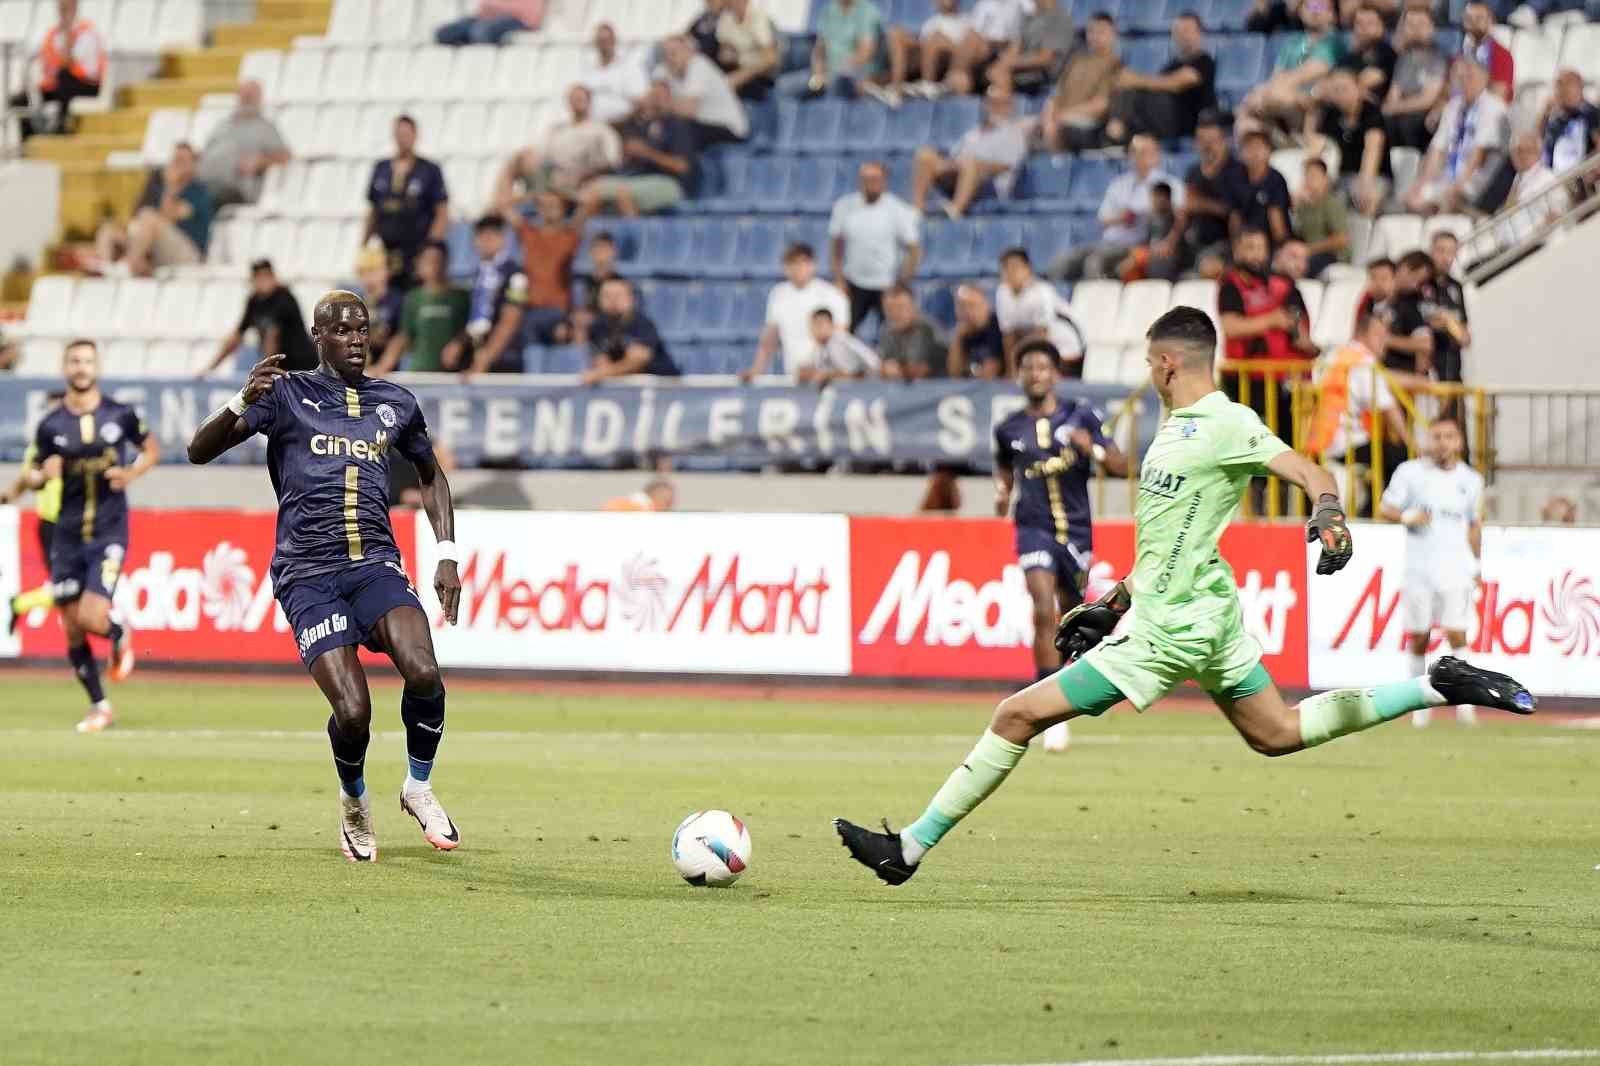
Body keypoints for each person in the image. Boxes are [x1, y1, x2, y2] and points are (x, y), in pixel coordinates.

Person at [832, 306, 1535, 887]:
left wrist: (1328, 514)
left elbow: (1305, 467)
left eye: (1148, 362)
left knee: (1016, 714)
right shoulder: (1176, 430)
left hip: (1172, 632)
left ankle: (911, 849)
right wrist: (1113, 602)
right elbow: (1169, 544)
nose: (1148, 372)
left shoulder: (1226, 421)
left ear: (1168, 364)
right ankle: (1437, 686)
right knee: (1277, 732)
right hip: (1198, 613)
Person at [187, 292, 463, 863]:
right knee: (355, 712)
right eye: (341, 330)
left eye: (362, 329)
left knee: (424, 670)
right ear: (317, 336)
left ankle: (418, 785)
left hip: (375, 565)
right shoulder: (285, 394)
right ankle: (354, 801)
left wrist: (447, 553)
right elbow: (198, 451)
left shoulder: (396, 402)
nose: (355, 338)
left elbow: (430, 475)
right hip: (308, 574)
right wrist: (242, 397)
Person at [992, 337, 1127, 751]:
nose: (1035, 374)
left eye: (1042, 367)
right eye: (1028, 367)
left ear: (1055, 374)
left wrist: (1094, 451)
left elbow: (1122, 466)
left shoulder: (1081, 415)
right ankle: (1044, 707)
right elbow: (1004, 469)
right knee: (1041, 602)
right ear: (1020, 376)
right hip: (1032, 528)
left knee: (1072, 616)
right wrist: (1003, 491)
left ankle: (1067, 694)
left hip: (1077, 532)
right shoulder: (1008, 427)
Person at [29, 341, 158, 733]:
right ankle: (100, 706)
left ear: (96, 367)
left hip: (108, 530)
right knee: (69, 625)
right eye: (74, 361)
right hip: (66, 533)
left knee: (90, 616)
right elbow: (35, 473)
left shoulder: (120, 414)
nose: (80, 368)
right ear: (64, 367)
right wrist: (42, 474)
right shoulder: (50, 425)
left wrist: (132, 473)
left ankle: (117, 632)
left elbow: (150, 448)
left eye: (86, 361)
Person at [1379, 417, 1485, 727]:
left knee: (1457, 633)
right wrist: (1407, 516)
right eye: (1436, 436)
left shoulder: (1472, 480)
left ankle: (1466, 706)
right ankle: (1418, 708)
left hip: (1455, 569)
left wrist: (1476, 565)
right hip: (1419, 569)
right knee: (1419, 637)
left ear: (1459, 442)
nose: (1442, 443)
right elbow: (1385, 508)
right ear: (1428, 440)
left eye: (1448, 436)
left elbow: (1473, 525)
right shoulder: (1410, 473)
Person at [1218, 227, 1316, 444]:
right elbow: (1231, 327)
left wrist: (1307, 345)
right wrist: (1271, 321)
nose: (1256, 255)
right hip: (1246, 378)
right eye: (1250, 248)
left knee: (1287, 441)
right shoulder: (1231, 284)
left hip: (1281, 377)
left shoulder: (1281, 286)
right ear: (1237, 251)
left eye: (1261, 248)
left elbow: (1298, 332)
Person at [1304, 310, 1411, 504]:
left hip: (1321, 441)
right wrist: (1411, 444)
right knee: (1400, 456)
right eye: (1379, 336)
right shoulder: (1363, 361)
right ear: (1362, 335)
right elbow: (1388, 407)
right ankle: (1382, 509)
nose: (1383, 342)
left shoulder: (1336, 355)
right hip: (1346, 442)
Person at [1053, 134, 1182, 281]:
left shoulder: (1170, 184)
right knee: (1065, 262)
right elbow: (1102, 218)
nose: (1140, 157)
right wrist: (1121, 218)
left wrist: (1143, 215)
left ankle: (1100, 301)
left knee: (1094, 262)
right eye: (1135, 152)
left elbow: (1175, 218)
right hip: (1110, 241)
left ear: (1156, 154)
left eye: (1145, 151)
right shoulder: (1118, 184)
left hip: (1137, 244)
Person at [575, 81, 698, 222]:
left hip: (671, 184)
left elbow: (682, 167)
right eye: (652, 96)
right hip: (636, 180)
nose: (655, 100)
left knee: (621, 193)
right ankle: (578, 239)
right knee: (595, 192)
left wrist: (647, 152)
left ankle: (637, 238)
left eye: (660, 96)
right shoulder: (643, 126)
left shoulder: (678, 125)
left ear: (669, 100)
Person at [1403, 57, 1509, 217]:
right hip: (1448, 175)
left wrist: (1456, 187)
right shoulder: (1453, 106)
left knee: (1442, 201)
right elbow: (1437, 149)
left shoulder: (1494, 107)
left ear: (1485, 80)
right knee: (1412, 198)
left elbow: (1479, 154)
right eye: (1462, 78)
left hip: (1476, 179)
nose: (1465, 82)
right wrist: (1423, 182)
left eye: (1471, 77)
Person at [909, 85, 1029, 220]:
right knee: (925, 155)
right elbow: (955, 157)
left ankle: (954, 212)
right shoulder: (974, 133)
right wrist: (952, 165)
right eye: (991, 102)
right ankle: (916, 214)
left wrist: (974, 164)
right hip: (959, 175)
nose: (994, 107)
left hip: (991, 186)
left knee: (969, 163)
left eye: (1000, 103)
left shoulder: (1014, 133)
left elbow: (1007, 166)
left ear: (1009, 106)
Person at [828, 161, 922, 333]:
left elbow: (914, 249)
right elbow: (836, 246)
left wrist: (903, 281)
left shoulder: (898, 209)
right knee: (844, 332)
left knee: (896, 333)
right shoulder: (844, 206)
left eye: (875, 178)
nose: (870, 183)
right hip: (854, 282)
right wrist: (839, 279)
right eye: (866, 178)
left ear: (884, 181)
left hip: (886, 284)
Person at [95, 143, 214, 277]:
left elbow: (170, 216)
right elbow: (136, 218)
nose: (176, 165)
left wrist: (171, 186)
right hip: (155, 249)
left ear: (192, 164)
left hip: (189, 253)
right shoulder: (156, 187)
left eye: (182, 161)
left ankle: (129, 265)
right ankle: (106, 270)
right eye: (175, 160)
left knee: (149, 217)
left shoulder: (198, 192)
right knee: (108, 230)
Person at [493, 85, 621, 209]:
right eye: (573, 99)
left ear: (589, 101)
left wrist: (583, 176)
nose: (577, 102)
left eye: (580, 99)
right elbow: (541, 154)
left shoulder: (602, 130)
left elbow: (612, 162)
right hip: (550, 173)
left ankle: (510, 204)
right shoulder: (558, 128)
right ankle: (501, 203)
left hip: (579, 177)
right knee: (520, 157)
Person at [2, 391, 65, 636]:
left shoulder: (80, 442)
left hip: (81, 522)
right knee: (65, 589)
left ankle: (19, 604)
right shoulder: (39, 447)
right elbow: (26, 480)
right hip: (53, 524)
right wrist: (6, 497)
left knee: (74, 589)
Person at [1103, 13, 1216, 146]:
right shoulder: (1171, 65)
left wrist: (1135, 80)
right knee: (1127, 92)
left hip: (1186, 124)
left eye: (1187, 31)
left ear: (1199, 33)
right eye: (1177, 32)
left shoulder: (1204, 61)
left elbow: (1175, 84)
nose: (1182, 36)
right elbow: (1158, 84)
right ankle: (1117, 133)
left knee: (1132, 91)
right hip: (1162, 120)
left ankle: (1116, 135)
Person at [364, 115, 449, 288]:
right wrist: (364, 245)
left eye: (407, 133)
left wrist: (431, 249)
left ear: (416, 135)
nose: (403, 138)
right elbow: (373, 210)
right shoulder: (381, 169)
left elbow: (442, 212)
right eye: (399, 134)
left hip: (417, 250)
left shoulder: (429, 170)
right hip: (387, 251)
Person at [745, 242, 851, 381]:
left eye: (804, 262)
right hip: (794, 377)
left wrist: (819, 369)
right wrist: (757, 369)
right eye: (793, 263)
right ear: (786, 267)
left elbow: (840, 339)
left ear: (813, 265)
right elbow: (770, 338)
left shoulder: (832, 295)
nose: (799, 268)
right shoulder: (779, 294)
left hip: (827, 379)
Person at [1240, 0, 1345, 135]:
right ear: (1300, 12)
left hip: (1315, 101)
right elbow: (1276, 75)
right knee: (1246, 118)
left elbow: (1306, 74)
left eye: (1321, 6)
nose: (1314, 11)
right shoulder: (1292, 41)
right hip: (1282, 98)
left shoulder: (1334, 43)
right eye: (1310, 6)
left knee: (1270, 98)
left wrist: (1268, 92)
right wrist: (1264, 92)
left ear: (1332, 14)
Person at [1162, 112, 1246, 280]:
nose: (1206, 146)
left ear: (1223, 140)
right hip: (1194, 240)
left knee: (1202, 267)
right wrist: (1170, 241)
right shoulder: (1193, 171)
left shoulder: (1237, 171)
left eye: (1211, 140)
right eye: (1202, 141)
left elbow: (1237, 212)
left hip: (1223, 241)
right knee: (1161, 263)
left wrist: (1202, 205)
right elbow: (1186, 209)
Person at [443, 215, 528, 378]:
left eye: (493, 234)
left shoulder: (515, 274)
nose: (487, 240)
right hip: (475, 356)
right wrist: (459, 343)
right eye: (482, 235)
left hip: (504, 361)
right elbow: (477, 319)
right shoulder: (478, 275)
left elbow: (510, 320)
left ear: (503, 239)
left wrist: (484, 360)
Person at [8, 0, 105, 139]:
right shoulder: (52, 33)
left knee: (63, 76)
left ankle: (61, 125)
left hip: (86, 85)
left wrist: (67, 32)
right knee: (20, 99)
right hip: (59, 85)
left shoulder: (86, 33)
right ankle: (29, 139)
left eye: (66, 7)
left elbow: (68, 62)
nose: (62, 10)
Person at [203, 260, 316, 376]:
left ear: (273, 277)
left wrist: (266, 371)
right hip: (282, 368)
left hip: (302, 365)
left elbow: (272, 337)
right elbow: (236, 336)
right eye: (258, 278)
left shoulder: (284, 299)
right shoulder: (254, 302)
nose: (263, 282)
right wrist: (210, 368)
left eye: (266, 277)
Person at [1304, 67, 1390, 218]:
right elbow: (1316, 145)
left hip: (1374, 176)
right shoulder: (1331, 114)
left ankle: (1364, 237)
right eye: (1336, 90)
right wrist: (1309, 183)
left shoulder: (1371, 112)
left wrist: (1365, 183)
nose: (1341, 94)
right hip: (1341, 177)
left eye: (1345, 89)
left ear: (1359, 89)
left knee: (1366, 197)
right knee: (1317, 199)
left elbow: (1372, 150)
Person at [375, 242, 470, 375]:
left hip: (453, 376)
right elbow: (404, 336)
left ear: (447, 262)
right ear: (418, 263)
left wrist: (459, 343)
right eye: (428, 260)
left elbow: (471, 329)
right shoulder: (413, 298)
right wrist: (383, 365)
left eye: (438, 260)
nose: (434, 265)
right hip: (421, 373)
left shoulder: (462, 296)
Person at [194, 80, 291, 207]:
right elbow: (204, 152)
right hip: (204, 180)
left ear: (259, 100)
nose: (246, 99)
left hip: (234, 188)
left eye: (250, 96)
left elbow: (285, 157)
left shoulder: (265, 128)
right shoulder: (223, 125)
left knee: (200, 199)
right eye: (244, 95)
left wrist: (261, 161)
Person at [505, 190, 582, 343]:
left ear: (563, 208)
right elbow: (502, 205)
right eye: (544, 205)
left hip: (558, 311)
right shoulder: (529, 233)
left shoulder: (571, 235)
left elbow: (592, 201)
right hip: (529, 309)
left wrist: (565, 195)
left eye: (553, 205)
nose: (548, 209)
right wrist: (528, 196)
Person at [1039, 12, 1121, 152]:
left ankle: (1057, 165)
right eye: (1091, 31)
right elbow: (1056, 95)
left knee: (1056, 130)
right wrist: (1049, 114)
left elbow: (1101, 105)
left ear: (1113, 35)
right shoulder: (1076, 62)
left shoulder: (1115, 66)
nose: (1095, 36)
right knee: (1018, 129)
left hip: (1090, 123)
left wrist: (1061, 116)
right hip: (1060, 118)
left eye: (1101, 32)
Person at [996, 248, 1084, 376]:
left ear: (1027, 269)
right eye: (1005, 268)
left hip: (1067, 347)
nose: (1010, 272)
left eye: (1015, 267)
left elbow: (1043, 336)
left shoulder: (1042, 292)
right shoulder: (1002, 293)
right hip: (1031, 343)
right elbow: (1008, 336)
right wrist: (1012, 372)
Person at [657, 34, 749, 148]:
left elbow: (689, 110)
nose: (670, 58)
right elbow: (654, 98)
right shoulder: (669, 70)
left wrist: (663, 104)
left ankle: (682, 165)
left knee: (679, 128)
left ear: (688, 51)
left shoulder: (699, 65)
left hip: (729, 128)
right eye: (666, 55)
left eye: (674, 53)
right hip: (704, 124)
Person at [583, 278, 681, 383]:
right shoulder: (597, 328)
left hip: (663, 385)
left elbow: (637, 362)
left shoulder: (642, 324)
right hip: (625, 386)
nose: (612, 300)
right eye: (607, 296)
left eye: (618, 295)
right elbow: (601, 362)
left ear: (631, 299)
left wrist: (602, 373)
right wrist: (604, 372)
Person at [872, 0, 967, 105]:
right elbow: (922, 43)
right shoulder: (931, 22)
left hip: (948, 63)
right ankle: (896, 87)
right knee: (896, 33)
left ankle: (927, 83)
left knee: (935, 39)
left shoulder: (966, 20)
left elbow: (965, 51)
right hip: (923, 60)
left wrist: (939, 40)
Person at [783, 0, 882, 97]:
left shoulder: (866, 11)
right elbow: (820, 48)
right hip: (827, 73)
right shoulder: (829, 10)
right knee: (784, 86)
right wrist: (818, 71)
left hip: (854, 75)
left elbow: (866, 53)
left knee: (837, 84)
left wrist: (835, 72)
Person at [1382, 6, 1448, 152]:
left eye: (1421, 25)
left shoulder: (1438, 58)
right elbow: (1394, 93)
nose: (1416, 30)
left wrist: (1392, 108)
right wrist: (1390, 107)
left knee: (1408, 123)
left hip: (1424, 114)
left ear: (1432, 28)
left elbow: (1427, 100)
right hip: (1402, 112)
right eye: (1411, 25)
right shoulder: (1403, 58)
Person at [942, 0, 1033, 97]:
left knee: (978, 47)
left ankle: (952, 79)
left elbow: (1031, 28)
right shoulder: (984, 4)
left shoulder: (1024, 3)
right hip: (986, 49)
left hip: (1013, 47)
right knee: (971, 42)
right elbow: (974, 32)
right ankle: (956, 76)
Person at [985, 0, 1074, 97]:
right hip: (1017, 68)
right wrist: (1003, 61)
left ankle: (1000, 107)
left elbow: (1045, 59)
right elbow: (1015, 47)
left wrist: (1009, 64)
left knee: (998, 73)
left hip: (1037, 74)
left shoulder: (1060, 19)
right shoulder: (1028, 16)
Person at [1228, 130, 1292, 248]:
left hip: (1270, 242)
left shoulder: (1275, 180)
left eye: (1258, 147)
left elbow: (1277, 223)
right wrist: (1236, 246)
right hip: (1245, 240)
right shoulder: (1236, 177)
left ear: (1268, 151)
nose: (1254, 153)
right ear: (1241, 153)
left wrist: (1282, 248)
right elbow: (1235, 217)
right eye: (1249, 148)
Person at [1422, 231, 1470, 385]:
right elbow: (1425, 321)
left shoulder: (1456, 287)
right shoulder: (1421, 283)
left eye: (1451, 252)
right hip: (1428, 370)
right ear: (1431, 251)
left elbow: (1463, 329)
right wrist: (1448, 323)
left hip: (1453, 370)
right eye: (1441, 250)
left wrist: (1460, 332)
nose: (1446, 258)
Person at [579, 22, 648, 123]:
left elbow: (640, 101)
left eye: (607, 40)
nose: (604, 44)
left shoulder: (629, 67)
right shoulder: (589, 72)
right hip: (593, 125)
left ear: (615, 40)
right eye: (601, 41)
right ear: (595, 43)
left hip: (623, 124)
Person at [1293, 158, 1351, 278]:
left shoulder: (1332, 204)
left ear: (1325, 179)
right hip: (1308, 252)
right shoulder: (1303, 206)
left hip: (1332, 255)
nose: (1309, 179)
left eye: (1314, 175)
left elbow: (1341, 239)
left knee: (1302, 267)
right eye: (1307, 175)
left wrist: (1309, 249)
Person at [1382, 250, 1434, 376]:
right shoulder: (1371, 298)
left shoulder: (1410, 304)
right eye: (1415, 278)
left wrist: (1386, 339)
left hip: (1398, 378)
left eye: (1420, 282)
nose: (1415, 286)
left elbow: (1425, 344)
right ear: (1404, 268)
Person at [877, 283, 944, 380]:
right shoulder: (886, 329)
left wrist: (896, 369)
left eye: (900, 307)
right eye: (890, 309)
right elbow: (883, 362)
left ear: (913, 306)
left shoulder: (927, 328)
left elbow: (922, 369)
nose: (895, 314)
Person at [798, 308, 882, 385]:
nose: (816, 329)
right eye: (813, 325)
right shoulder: (820, 347)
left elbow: (854, 374)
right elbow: (811, 370)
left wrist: (826, 376)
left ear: (831, 325)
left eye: (820, 324)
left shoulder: (839, 341)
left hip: (875, 383)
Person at [716, 0, 779, 100]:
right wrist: (726, 53)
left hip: (760, 74)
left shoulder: (758, 18)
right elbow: (724, 47)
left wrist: (740, 77)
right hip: (736, 67)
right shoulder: (726, 17)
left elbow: (771, 59)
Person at [1541, 69, 1600, 176]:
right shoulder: (1554, 118)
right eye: (1558, 85)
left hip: (1578, 177)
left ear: (1579, 87)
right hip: (1551, 176)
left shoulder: (1591, 114)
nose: (1560, 90)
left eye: (1566, 85)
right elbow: (1540, 144)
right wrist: (1544, 112)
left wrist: (1587, 172)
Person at [1337, 3, 1397, 102]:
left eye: (1370, 23)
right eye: (1359, 23)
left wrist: (1346, 85)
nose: (1363, 28)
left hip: (1375, 111)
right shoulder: (1350, 56)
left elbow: (1370, 79)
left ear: (1382, 27)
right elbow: (1334, 79)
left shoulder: (1388, 54)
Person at [947, 283, 1006, 379]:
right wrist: (958, 338)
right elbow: (954, 373)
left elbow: (989, 374)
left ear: (985, 305)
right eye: (961, 306)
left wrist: (968, 370)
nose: (966, 311)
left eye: (971, 305)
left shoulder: (998, 327)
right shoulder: (961, 332)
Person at [1459, 1, 1513, 103]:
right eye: (1469, 18)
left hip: (1487, 110)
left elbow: (1498, 96)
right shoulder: (1460, 54)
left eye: (1479, 18)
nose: (1473, 23)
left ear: (1490, 21)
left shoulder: (1501, 55)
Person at [435, 0, 543, 44]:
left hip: (519, 19)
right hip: (487, 17)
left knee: (480, 31)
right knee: (444, 33)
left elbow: (530, 13)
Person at [1354, 255, 1395, 325]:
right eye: (1373, 278)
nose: (1378, 283)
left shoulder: (1403, 307)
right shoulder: (1361, 303)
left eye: (1384, 278)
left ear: (1394, 280)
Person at [604, 477, 676, 512]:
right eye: (667, 502)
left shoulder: (636, 503)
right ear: (656, 495)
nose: (668, 508)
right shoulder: (640, 507)